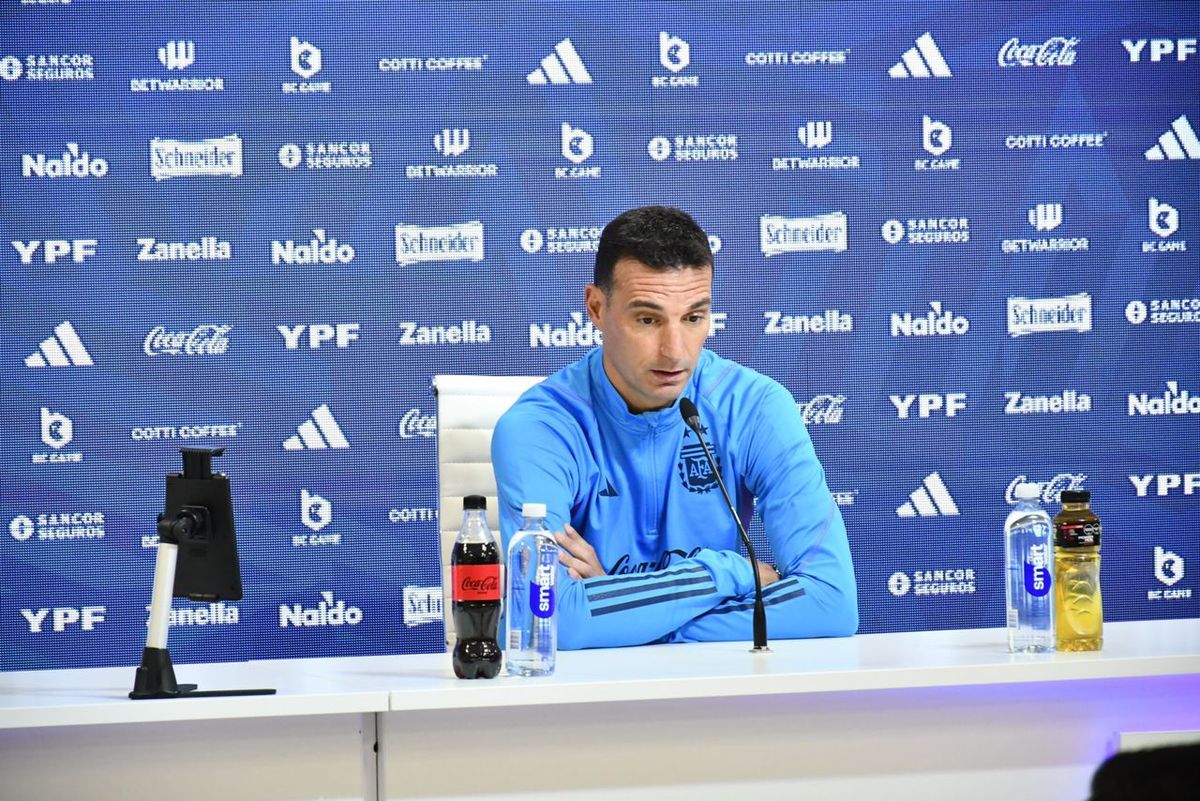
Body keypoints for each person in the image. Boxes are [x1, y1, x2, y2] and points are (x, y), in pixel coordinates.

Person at [491, 205, 857, 649]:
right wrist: (730, 572)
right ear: (596, 308)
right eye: (648, 319)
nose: (675, 352)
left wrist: (617, 614)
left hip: (716, 700)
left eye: (694, 317)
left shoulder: (755, 406)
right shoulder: (539, 429)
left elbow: (832, 602)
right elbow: (546, 617)